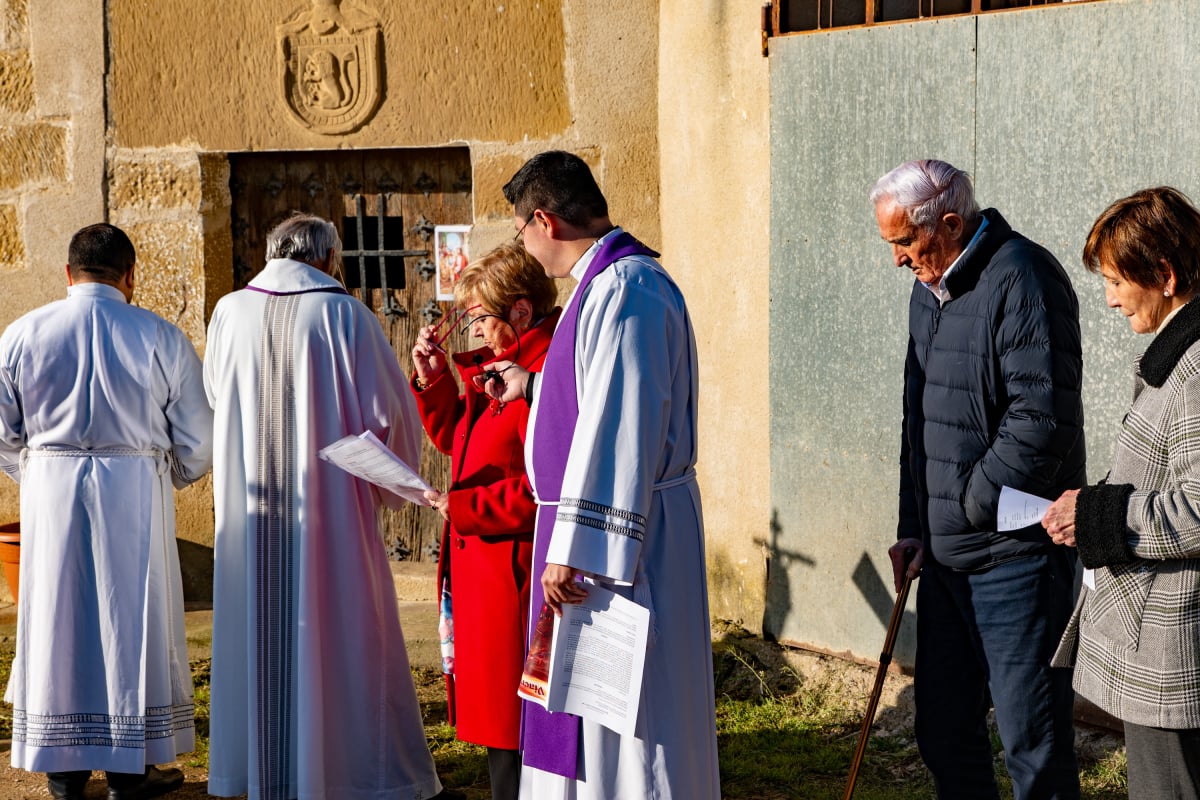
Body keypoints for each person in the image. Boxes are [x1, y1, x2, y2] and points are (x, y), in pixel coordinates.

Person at [484, 150, 720, 799]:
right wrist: (532, 387)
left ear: (543, 220)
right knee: (586, 714)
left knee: (629, 721)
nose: (523, 247)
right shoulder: (602, 285)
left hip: (623, 548)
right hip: (595, 532)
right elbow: (593, 399)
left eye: (519, 231)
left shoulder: (627, 287)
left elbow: (624, 423)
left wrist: (578, 547)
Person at [203, 213, 453, 800]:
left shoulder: (228, 312)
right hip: (331, 515)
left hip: (252, 510)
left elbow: (218, 393)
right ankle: (344, 768)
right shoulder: (348, 317)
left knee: (256, 633)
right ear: (328, 260)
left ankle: (252, 770)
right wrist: (394, 486)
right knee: (341, 630)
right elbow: (390, 414)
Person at [871, 159, 1085, 799]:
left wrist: (967, 505)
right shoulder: (926, 289)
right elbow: (920, 418)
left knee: (1034, 747)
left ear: (952, 223)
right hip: (945, 561)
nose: (899, 260)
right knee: (943, 734)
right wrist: (916, 524)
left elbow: (1040, 418)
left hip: (1015, 559)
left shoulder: (1023, 277)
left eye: (905, 243)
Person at [0, 223, 213, 800]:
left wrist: (40, 475)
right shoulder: (160, 337)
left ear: (68, 274)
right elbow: (198, 438)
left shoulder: (21, 334)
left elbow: (1, 431)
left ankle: (62, 770)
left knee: (57, 617)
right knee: (131, 619)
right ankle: (129, 770)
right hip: (134, 492)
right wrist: (163, 475)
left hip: (51, 493)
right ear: (132, 277)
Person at [1044, 187, 1200, 799]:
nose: (1108, 298)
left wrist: (1099, 515)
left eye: (1115, 279)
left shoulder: (1195, 370)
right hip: (1163, 645)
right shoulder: (1175, 357)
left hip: (1176, 650)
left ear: (1164, 275)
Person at [409, 242, 560, 800]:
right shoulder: (496, 368)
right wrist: (435, 380)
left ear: (520, 312)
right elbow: (460, 439)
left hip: (516, 572)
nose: (470, 331)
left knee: (516, 723)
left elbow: (547, 486)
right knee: (500, 728)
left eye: (479, 317)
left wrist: (467, 508)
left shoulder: (546, 373)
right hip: (484, 571)